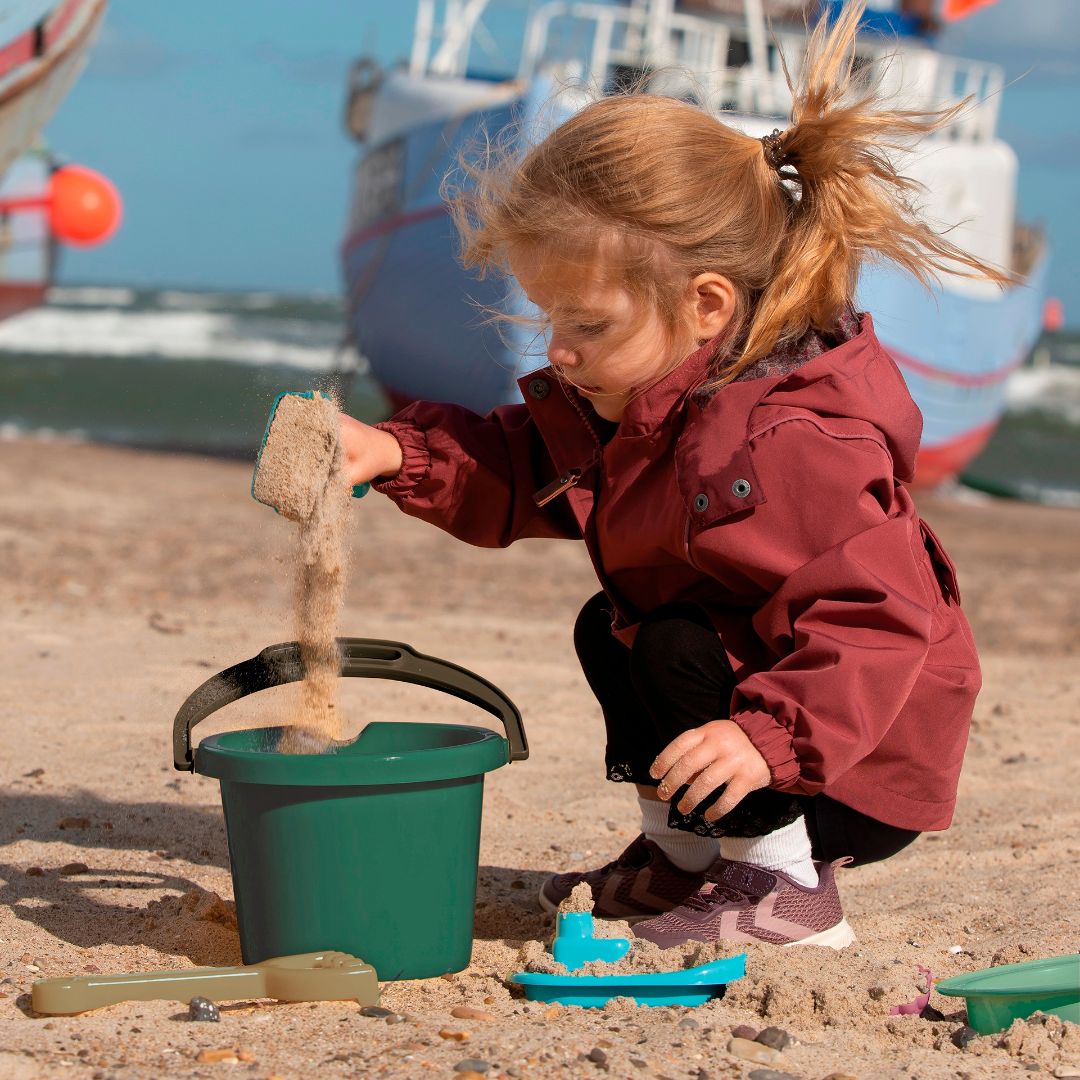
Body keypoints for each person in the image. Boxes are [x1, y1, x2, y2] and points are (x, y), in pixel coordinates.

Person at [337, 0, 1009, 948]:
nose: (558, 351)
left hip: (854, 749)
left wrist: (770, 739)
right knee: (615, 631)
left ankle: (785, 893)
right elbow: (526, 461)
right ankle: (687, 862)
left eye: (586, 324)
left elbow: (874, 617)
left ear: (704, 304)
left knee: (676, 646)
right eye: (550, 319)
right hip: (771, 719)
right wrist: (397, 452)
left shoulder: (792, 439)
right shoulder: (651, 399)